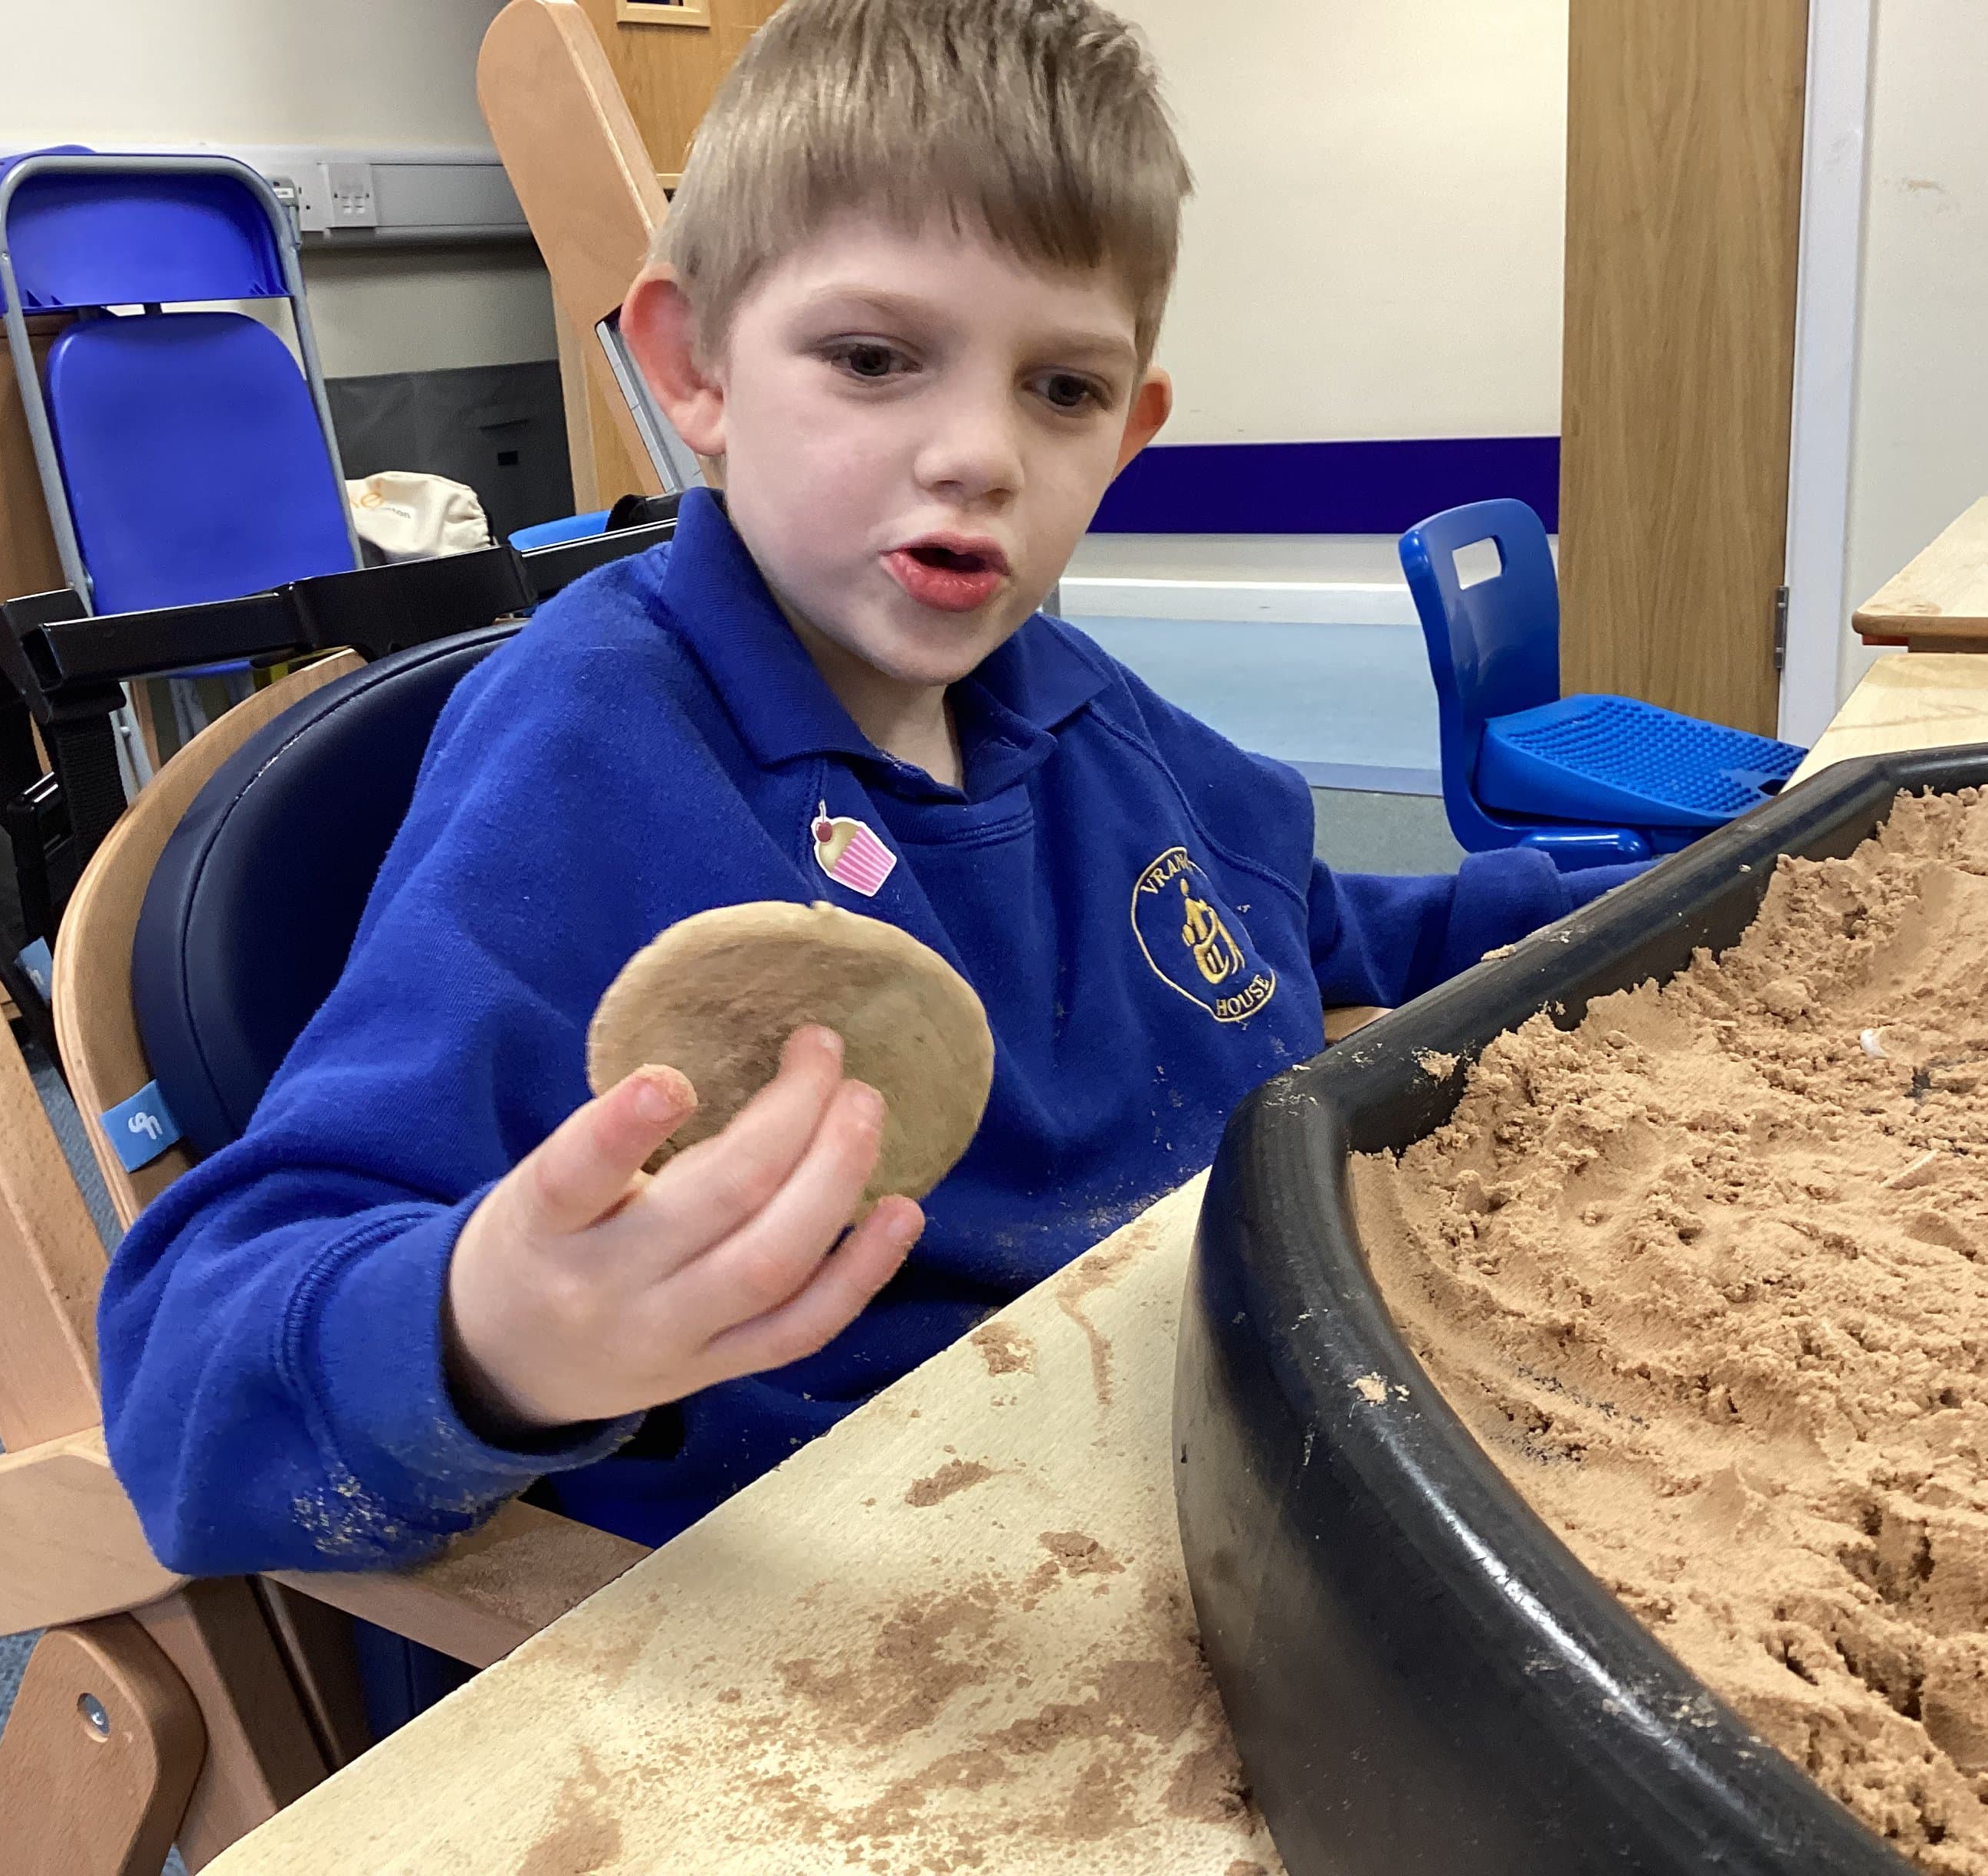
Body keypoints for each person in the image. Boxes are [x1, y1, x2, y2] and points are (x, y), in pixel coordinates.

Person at [97, 0, 1639, 1576]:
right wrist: (495, 1339)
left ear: (1130, 433)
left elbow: (1304, 941)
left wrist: (1646, 907)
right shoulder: (581, 761)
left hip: (1217, 1443)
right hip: (845, 1592)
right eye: (876, 358)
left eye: (1062, 390)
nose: (978, 452)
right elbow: (183, 1384)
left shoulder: (1097, 722)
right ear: (694, 370)